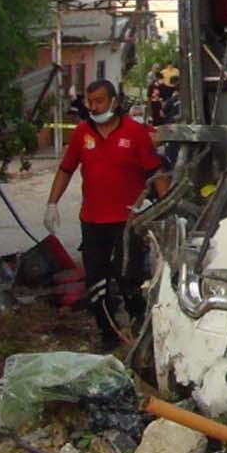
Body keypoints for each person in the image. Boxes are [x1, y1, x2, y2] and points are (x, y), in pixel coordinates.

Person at [45, 79, 170, 347]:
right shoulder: (81, 134)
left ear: (113, 101)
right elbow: (66, 169)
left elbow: (156, 172)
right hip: (92, 221)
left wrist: (167, 206)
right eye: (90, 101)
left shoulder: (134, 132)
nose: (94, 106)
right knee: (96, 284)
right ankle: (108, 335)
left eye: (99, 100)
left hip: (128, 222)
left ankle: (140, 331)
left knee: (129, 280)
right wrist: (52, 203)